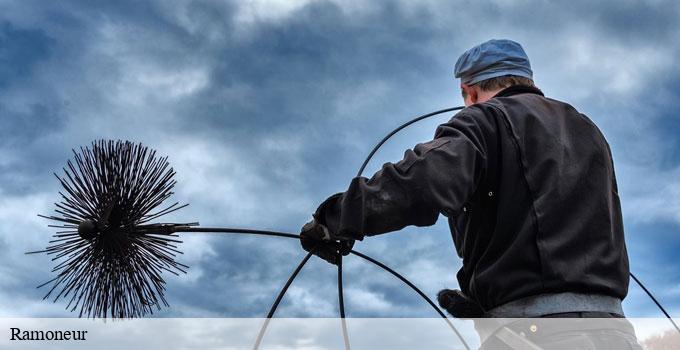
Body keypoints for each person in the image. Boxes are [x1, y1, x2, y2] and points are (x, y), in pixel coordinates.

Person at [299, 39, 633, 332]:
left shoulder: (483, 119)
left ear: (470, 91)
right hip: (614, 330)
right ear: (526, 79)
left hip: (534, 334)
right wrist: (481, 303)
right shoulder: (588, 131)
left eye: (464, 96)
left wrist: (333, 220)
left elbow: (422, 181)